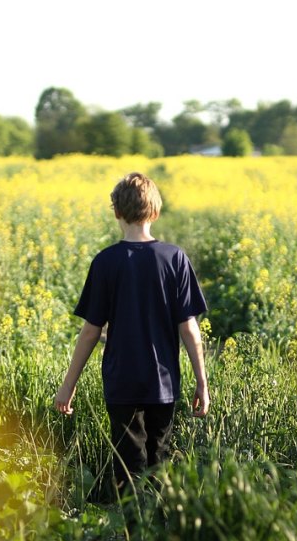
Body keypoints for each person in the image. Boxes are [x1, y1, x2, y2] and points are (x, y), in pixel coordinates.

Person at [54, 171, 209, 493]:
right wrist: (201, 383)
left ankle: (132, 532)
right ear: (155, 211)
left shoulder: (106, 262)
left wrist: (68, 386)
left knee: (128, 466)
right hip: (163, 382)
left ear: (116, 212)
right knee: (160, 462)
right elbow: (189, 328)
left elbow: (90, 332)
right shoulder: (174, 258)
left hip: (121, 381)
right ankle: (158, 531)